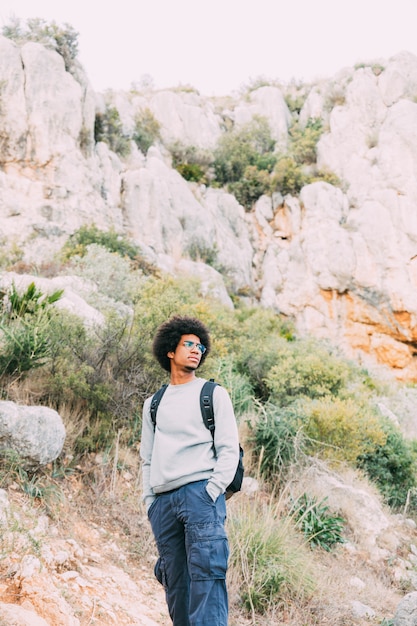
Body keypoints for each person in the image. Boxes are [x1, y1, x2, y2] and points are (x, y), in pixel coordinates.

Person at [140, 315, 240, 626]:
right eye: (188, 344)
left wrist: (212, 491)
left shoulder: (212, 394)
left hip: (201, 495)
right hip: (164, 503)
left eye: (200, 346)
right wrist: (149, 502)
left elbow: (228, 449)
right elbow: (147, 457)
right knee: (176, 584)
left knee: (207, 575)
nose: (196, 350)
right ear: (170, 350)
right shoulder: (153, 403)